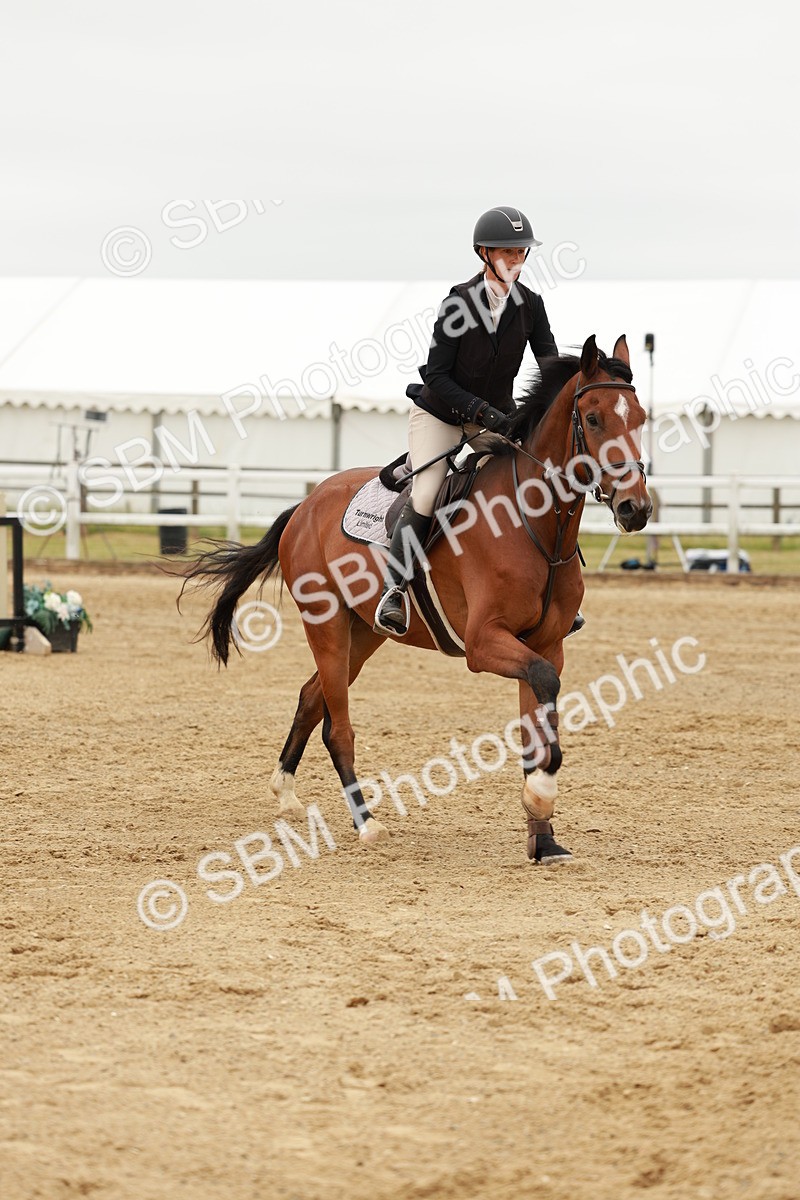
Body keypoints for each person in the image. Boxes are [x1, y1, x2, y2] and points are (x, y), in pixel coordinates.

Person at [374, 204, 563, 637]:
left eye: (521, 252)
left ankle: (552, 590)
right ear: (484, 253)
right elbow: (436, 375)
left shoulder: (530, 306)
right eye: (507, 252)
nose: (516, 259)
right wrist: (482, 413)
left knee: (535, 477)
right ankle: (394, 589)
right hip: (439, 413)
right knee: (426, 493)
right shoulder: (458, 303)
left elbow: (549, 367)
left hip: (495, 417)